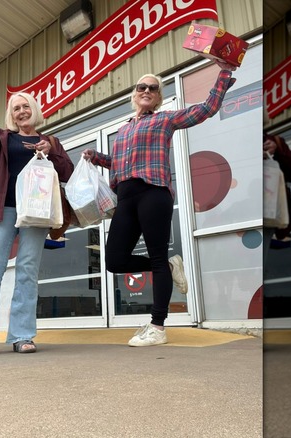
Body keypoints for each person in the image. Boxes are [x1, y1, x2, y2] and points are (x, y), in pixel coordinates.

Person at [82, 61, 237, 347]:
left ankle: (158, 326)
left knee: (154, 257)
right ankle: (168, 265)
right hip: (125, 198)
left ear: (158, 97)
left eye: (153, 88)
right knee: (115, 261)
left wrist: (224, 73)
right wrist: (97, 157)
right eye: (142, 86)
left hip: (154, 193)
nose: (147, 90)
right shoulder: (123, 130)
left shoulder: (164, 119)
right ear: (134, 94)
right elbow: (118, 164)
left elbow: (205, 110)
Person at [0, 61, 74, 358]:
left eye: (25, 106)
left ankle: (22, 335)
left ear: (34, 110)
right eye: (16, 108)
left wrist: (50, 153)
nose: (21, 111)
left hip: (36, 212)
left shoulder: (51, 141)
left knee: (26, 271)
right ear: (11, 115)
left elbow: (67, 172)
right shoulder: (1, 138)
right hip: (5, 209)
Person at [262, 109, 291, 260]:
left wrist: (277, 152)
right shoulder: (237, 142)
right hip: (240, 211)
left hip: (268, 210)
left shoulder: (275, 141)